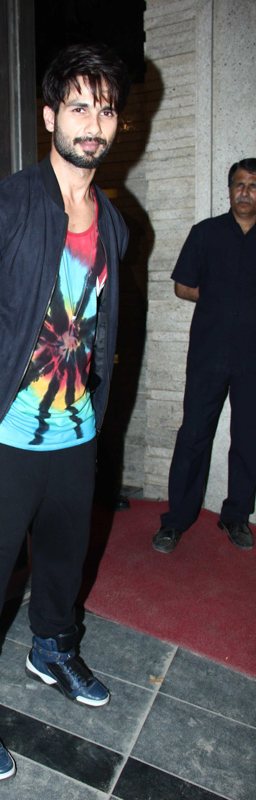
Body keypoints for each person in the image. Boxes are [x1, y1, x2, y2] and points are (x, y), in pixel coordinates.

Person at [0, 43, 130, 781]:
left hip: (77, 425)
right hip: (13, 428)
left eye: (105, 110)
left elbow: (101, 321)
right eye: (78, 106)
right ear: (49, 117)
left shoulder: (114, 223)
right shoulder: (2, 208)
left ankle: (52, 649)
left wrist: (91, 401)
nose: (92, 123)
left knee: (64, 553)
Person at [153, 158, 256, 554]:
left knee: (249, 437)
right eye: (239, 185)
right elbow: (182, 286)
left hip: (252, 358)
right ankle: (175, 521)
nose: (245, 192)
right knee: (194, 435)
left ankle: (235, 516)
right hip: (208, 353)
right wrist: (218, 298)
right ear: (229, 190)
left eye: (253, 186)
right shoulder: (206, 233)